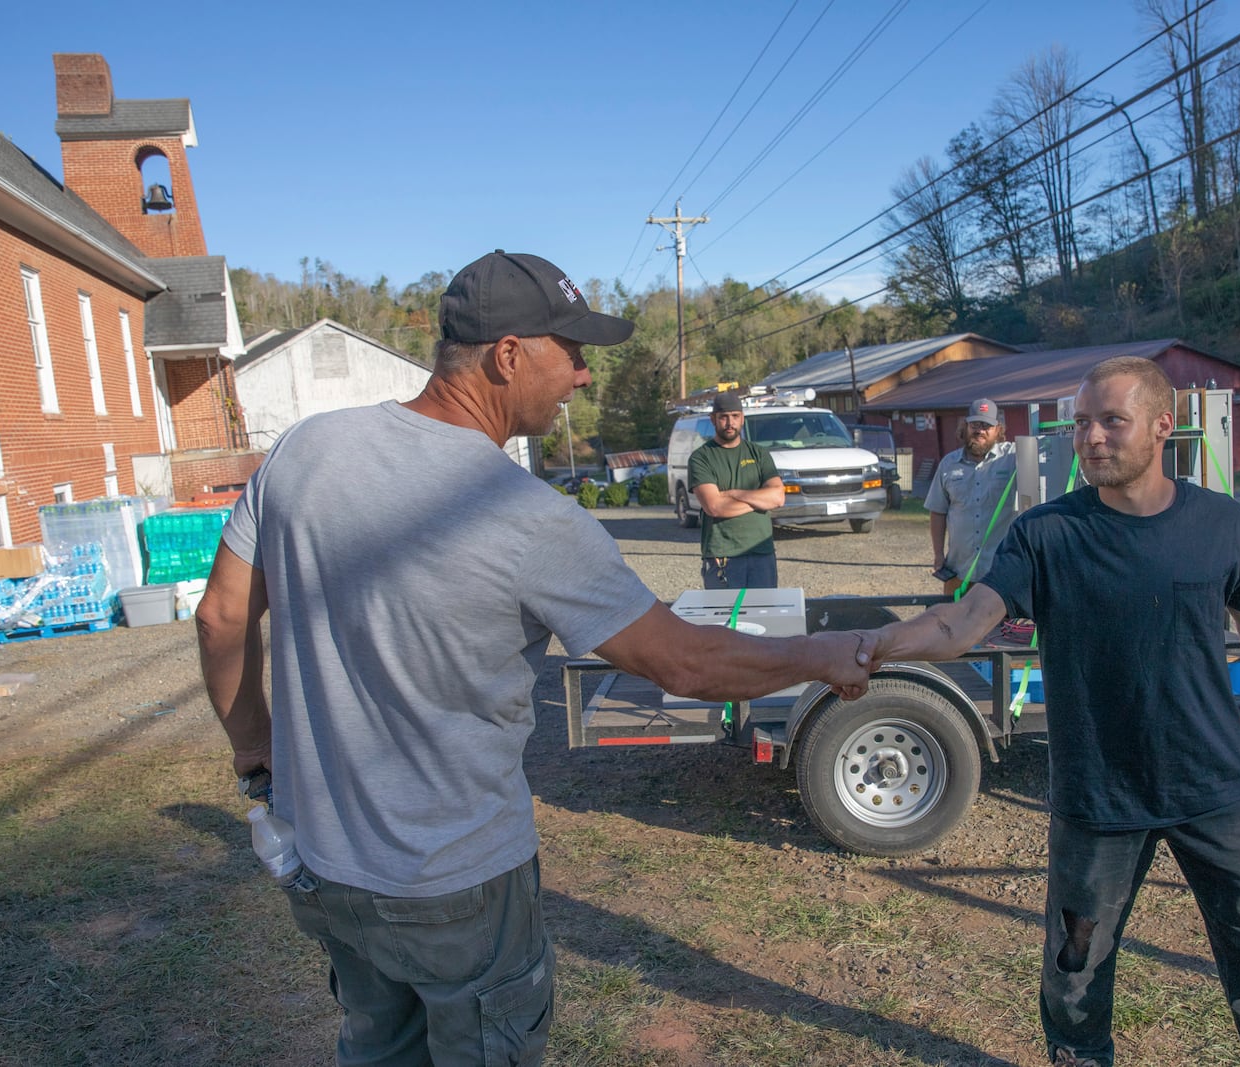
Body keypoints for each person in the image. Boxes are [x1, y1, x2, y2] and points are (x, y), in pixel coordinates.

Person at [195, 250, 871, 1067]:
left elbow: (221, 615)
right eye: (573, 350)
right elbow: (685, 665)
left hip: (329, 867)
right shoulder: (523, 515)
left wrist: (257, 762)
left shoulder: (303, 451)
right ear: (507, 354)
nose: (585, 375)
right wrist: (825, 653)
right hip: (459, 885)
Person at [853, 356, 1240, 1067]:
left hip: (1214, 786)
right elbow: (960, 623)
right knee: (1076, 966)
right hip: (1099, 794)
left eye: (1111, 421)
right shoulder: (1046, 534)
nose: (1091, 437)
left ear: (1164, 424)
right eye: (1081, 423)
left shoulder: (1220, 523)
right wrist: (868, 646)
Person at [689, 390, 786, 589]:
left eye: (735, 416)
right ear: (713, 419)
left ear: (742, 418)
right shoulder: (701, 458)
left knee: (763, 617)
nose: (730, 422)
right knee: (725, 618)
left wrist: (734, 493)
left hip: (762, 553)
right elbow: (715, 507)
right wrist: (759, 501)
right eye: (723, 417)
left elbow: (777, 497)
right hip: (723, 555)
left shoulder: (758, 454)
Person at [925, 397, 1019, 596]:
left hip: (999, 571)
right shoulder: (948, 465)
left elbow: (1041, 448)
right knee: (953, 624)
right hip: (958, 570)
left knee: (998, 626)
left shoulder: (1012, 458)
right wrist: (938, 555)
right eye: (975, 424)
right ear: (966, 426)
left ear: (998, 429)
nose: (980, 430)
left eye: (986, 425)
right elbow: (938, 512)